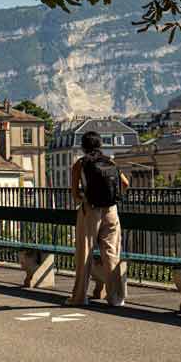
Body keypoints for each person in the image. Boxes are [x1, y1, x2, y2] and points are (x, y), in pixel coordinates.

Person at [67, 131, 130, 307]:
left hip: (91, 211)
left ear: (83, 147)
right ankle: (116, 298)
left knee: (84, 253)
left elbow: (74, 193)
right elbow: (125, 183)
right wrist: (113, 197)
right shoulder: (111, 162)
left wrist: (82, 200)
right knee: (111, 253)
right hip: (111, 210)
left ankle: (79, 297)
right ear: (100, 145)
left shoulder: (80, 164)